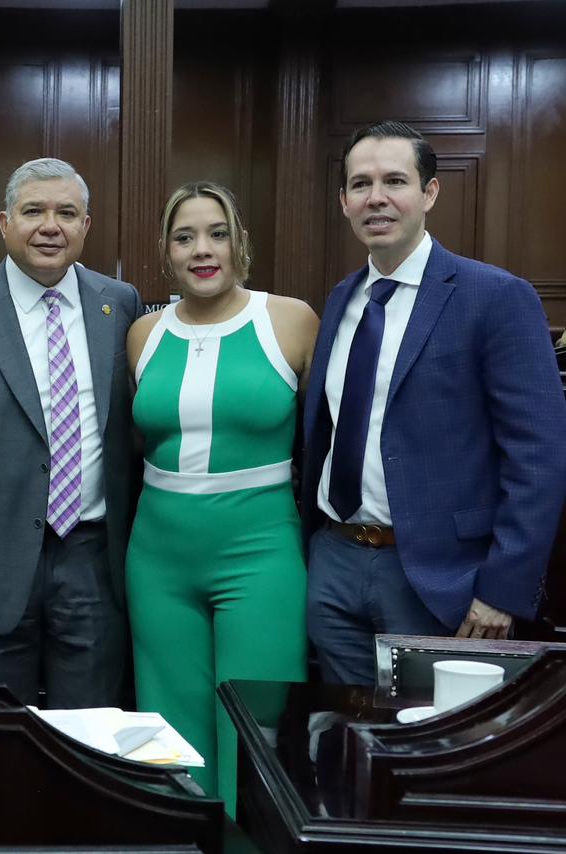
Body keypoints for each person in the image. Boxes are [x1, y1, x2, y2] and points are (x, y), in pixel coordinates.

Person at [303, 120, 566, 685]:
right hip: (334, 565)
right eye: (361, 184)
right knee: (343, 728)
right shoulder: (342, 300)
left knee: (435, 736)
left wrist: (502, 589)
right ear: (344, 201)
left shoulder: (496, 297)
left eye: (395, 181)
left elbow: (539, 459)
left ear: (430, 193)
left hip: (444, 580)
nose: (376, 197)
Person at [0, 157, 139, 708]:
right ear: (4, 222)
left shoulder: (120, 303)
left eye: (67, 213)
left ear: (86, 225)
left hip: (92, 559)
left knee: (90, 734)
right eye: (33, 211)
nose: (50, 226)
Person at [125, 181, 317, 808]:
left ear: (240, 243)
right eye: (185, 237)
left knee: (255, 731)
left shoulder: (290, 319)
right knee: (169, 736)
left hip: (260, 554)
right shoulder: (142, 334)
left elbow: (326, 440)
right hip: (158, 559)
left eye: (217, 234)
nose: (202, 250)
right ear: (166, 252)